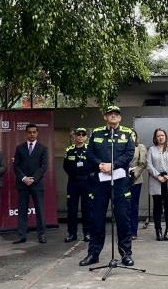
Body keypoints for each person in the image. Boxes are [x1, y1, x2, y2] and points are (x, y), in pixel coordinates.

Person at [79, 106, 136, 267]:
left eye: (116, 114)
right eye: (110, 114)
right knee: (97, 219)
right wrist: (100, 165)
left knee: (123, 219)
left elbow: (129, 153)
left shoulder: (126, 133)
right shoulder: (96, 133)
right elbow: (90, 153)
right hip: (100, 182)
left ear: (120, 118)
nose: (113, 116)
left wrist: (114, 165)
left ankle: (126, 254)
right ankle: (93, 254)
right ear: (105, 117)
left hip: (120, 182)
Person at [12, 123, 48, 244]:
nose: (32, 134)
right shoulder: (19, 148)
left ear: (37, 133)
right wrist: (24, 178)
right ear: (26, 133)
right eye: (29, 132)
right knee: (22, 210)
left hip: (36, 184)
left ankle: (42, 235)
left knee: (40, 210)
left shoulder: (43, 148)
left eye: (34, 132)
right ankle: (22, 235)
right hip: (23, 184)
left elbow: (43, 167)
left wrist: (33, 179)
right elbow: (15, 166)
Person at [147, 128, 168, 241]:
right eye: (158, 136)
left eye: (162, 135)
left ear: (166, 136)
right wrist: (158, 176)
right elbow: (149, 165)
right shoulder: (152, 149)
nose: (160, 137)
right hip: (156, 180)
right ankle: (158, 230)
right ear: (155, 138)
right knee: (157, 207)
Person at [63, 127, 93, 243]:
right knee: (72, 210)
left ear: (86, 137)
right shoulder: (69, 150)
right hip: (73, 183)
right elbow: (65, 166)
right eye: (78, 135)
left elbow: (93, 165)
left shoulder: (90, 150)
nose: (80, 137)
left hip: (87, 183)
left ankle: (87, 233)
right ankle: (72, 233)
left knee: (87, 209)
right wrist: (74, 174)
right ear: (74, 136)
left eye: (82, 135)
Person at [128, 130, 147, 240]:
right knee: (124, 206)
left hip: (136, 180)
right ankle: (125, 229)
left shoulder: (140, 147)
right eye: (130, 135)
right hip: (123, 179)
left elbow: (143, 163)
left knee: (133, 206)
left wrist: (133, 174)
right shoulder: (123, 147)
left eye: (134, 135)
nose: (132, 137)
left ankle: (133, 231)